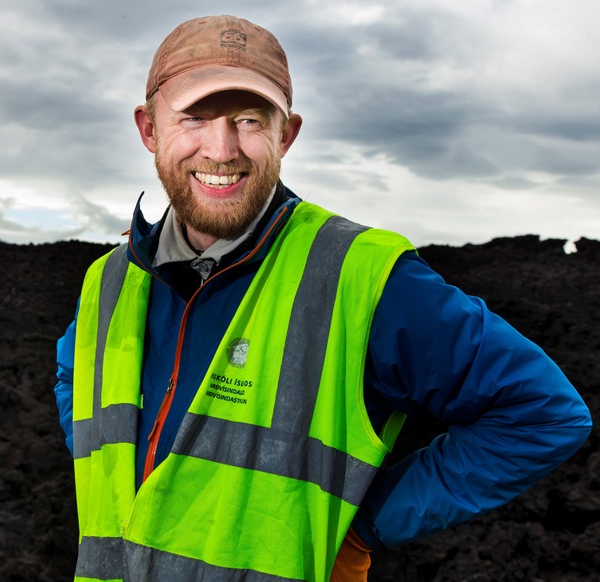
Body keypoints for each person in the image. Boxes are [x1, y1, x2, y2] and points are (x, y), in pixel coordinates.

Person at [54, 14, 592, 582]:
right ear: (149, 129)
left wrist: (363, 524)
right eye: (195, 117)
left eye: (249, 120)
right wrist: (112, 476)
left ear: (286, 135)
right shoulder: (109, 280)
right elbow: (74, 379)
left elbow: (542, 414)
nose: (222, 148)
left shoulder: (361, 276)